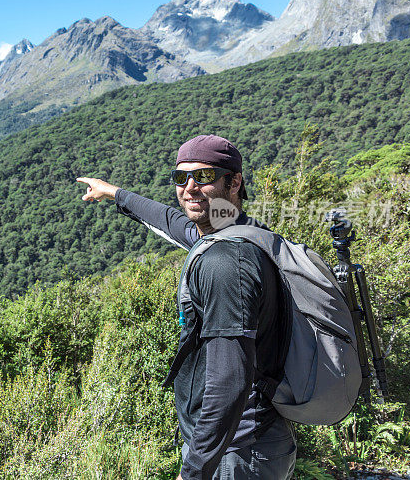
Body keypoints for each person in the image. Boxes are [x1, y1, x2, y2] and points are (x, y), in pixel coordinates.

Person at [77, 134, 295, 480]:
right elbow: (168, 220)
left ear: (234, 181)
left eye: (204, 176)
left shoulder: (226, 263)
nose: (190, 187)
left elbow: (229, 381)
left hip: (235, 453)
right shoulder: (235, 230)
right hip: (242, 445)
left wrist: (193, 471)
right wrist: (112, 192)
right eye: (181, 178)